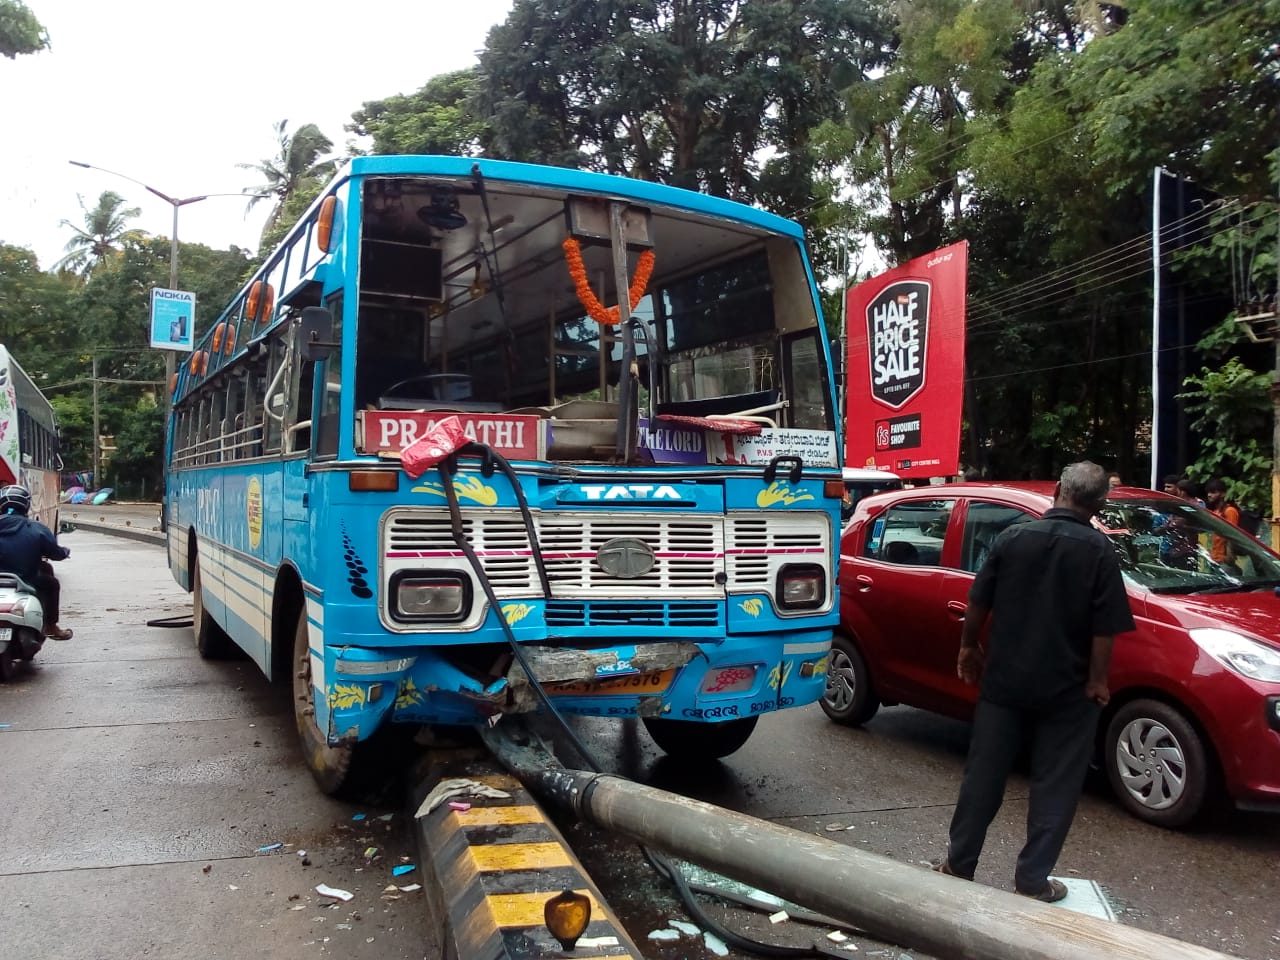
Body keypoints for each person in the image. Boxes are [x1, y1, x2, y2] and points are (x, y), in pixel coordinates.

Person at [933, 461, 1134, 902]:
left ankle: (958, 865)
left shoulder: (1013, 537)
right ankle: (1032, 882)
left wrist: (968, 647)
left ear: (1059, 489)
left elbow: (978, 599)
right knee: (1055, 786)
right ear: (1100, 503)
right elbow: (1105, 629)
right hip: (1069, 691)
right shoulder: (1099, 552)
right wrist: (1098, 682)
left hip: (1005, 684)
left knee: (982, 777)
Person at [0, 484, 72, 640]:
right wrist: (65, 552)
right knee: (52, 583)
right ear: (26, 505)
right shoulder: (36, 528)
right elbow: (56, 553)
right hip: (27, 579)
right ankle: (51, 627)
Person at [1203, 478, 1241, 566]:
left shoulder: (1229, 511)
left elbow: (1232, 535)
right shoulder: (1215, 512)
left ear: (1223, 494)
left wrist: (1229, 556)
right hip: (1214, 558)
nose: (1209, 495)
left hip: (1224, 560)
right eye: (1208, 492)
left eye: (1213, 492)